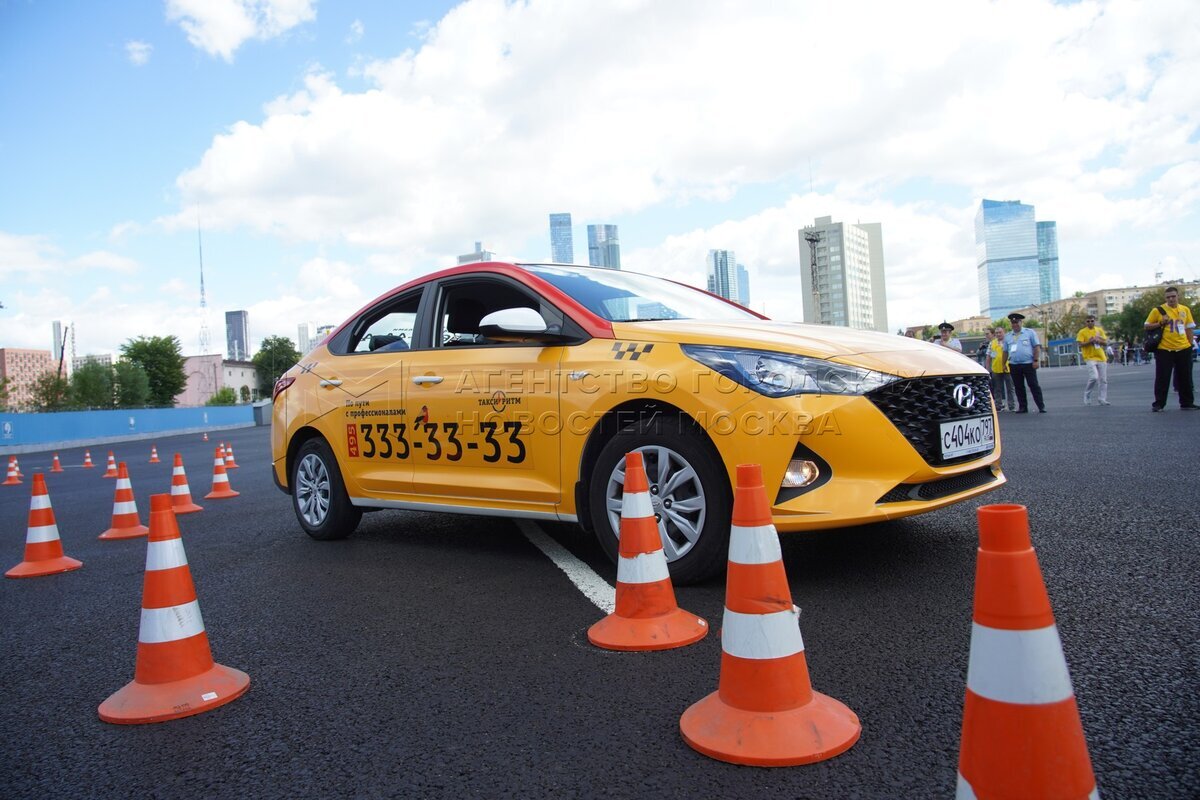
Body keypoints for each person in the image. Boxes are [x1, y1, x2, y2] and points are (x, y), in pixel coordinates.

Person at [1144, 286, 1197, 411]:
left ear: (1178, 296)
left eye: (1173, 296)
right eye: (1168, 297)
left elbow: (1189, 328)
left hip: (1183, 347)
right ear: (1165, 298)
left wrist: (1189, 345)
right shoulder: (1158, 310)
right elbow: (1146, 326)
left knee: (1185, 376)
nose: (1171, 299)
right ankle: (1159, 404)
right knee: (1163, 377)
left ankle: (1187, 403)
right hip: (1164, 348)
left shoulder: (1185, 310)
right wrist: (1160, 323)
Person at [1001, 313, 1045, 413]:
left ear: (1021, 322)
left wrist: (1036, 360)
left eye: (1016, 322)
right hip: (1014, 364)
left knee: (1033, 385)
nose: (1015, 324)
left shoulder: (1029, 332)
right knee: (1018, 386)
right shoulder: (1008, 336)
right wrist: (1003, 364)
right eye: (1013, 322)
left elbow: (1036, 347)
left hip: (1028, 363)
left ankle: (1041, 406)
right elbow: (1005, 352)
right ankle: (1023, 407)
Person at [1076, 314, 1110, 406]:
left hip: (1101, 357)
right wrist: (1090, 341)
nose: (1090, 322)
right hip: (1089, 357)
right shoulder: (1082, 332)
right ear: (1085, 322)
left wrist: (1098, 341)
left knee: (1103, 379)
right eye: (1088, 321)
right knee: (1094, 377)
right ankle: (1087, 395)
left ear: (1094, 321)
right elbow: (1080, 344)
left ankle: (1102, 398)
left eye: (1092, 321)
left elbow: (1105, 342)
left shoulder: (1099, 330)